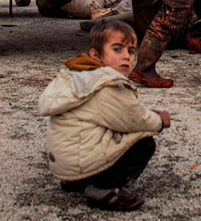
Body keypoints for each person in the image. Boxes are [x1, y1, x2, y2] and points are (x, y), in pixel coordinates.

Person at [39, 19, 170, 212]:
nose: (126, 57)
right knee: (143, 143)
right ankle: (103, 188)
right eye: (117, 50)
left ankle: (76, 182)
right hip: (79, 163)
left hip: (64, 165)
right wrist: (159, 121)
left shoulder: (78, 75)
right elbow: (133, 118)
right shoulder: (106, 84)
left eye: (131, 51)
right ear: (96, 55)